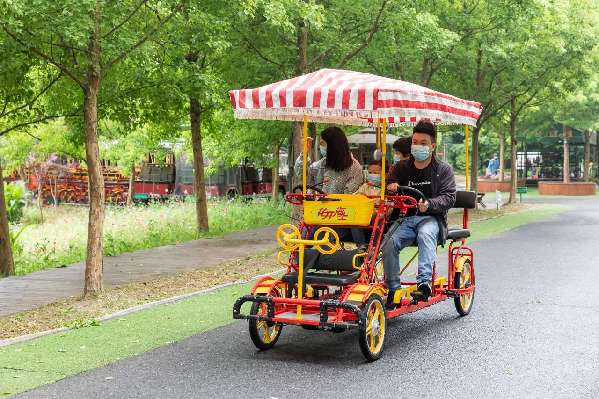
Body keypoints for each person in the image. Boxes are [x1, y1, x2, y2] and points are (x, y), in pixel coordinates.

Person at [384, 119, 456, 306]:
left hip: (431, 218)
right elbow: (387, 187)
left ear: (432, 146)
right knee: (389, 243)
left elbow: (449, 197)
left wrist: (429, 204)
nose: (417, 146)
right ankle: (393, 289)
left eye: (423, 143)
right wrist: (391, 188)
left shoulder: (443, 169)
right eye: (414, 142)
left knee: (425, 234)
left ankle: (424, 283)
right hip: (405, 219)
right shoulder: (401, 167)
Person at [351, 160, 388, 246]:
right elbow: (355, 197)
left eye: (375, 173)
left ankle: (375, 246)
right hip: (364, 214)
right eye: (370, 172)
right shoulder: (365, 186)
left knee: (380, 219)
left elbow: (389, 206)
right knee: (354, 219)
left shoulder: (387, 188)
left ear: (385, 174)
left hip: (378, 216)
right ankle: (361, 246)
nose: (372, 175)